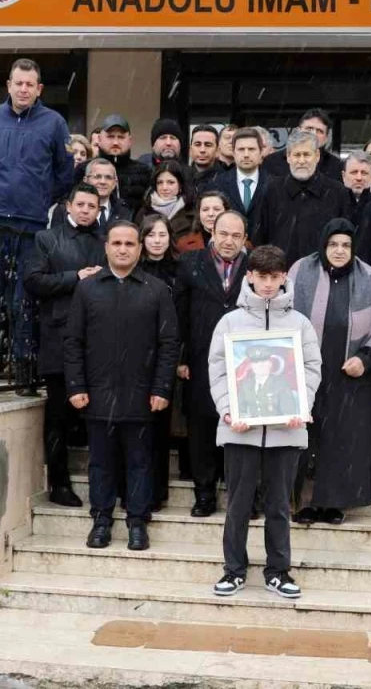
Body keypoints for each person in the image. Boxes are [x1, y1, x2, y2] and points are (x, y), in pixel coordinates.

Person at [209, 245, 320, 600]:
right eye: (262, 277)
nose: (268, 284)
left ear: (284, 276)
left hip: (286, 430)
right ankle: (233, 570)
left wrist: (301, 406)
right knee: (238, 504)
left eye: (274, 277)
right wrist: (229, 410)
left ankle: (278, 571)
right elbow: (218, 370)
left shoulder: (299, 323)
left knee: (279, 505)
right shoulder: (230, 322)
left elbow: (311, 369)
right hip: (240, 430)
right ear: (250, 277)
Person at [64, 220, 178, 551]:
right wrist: (76, 386)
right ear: (106, 247)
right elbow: (73, 341)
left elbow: (169, 344)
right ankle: (101, 520)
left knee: (140, 462)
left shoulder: (157, 290)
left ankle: (137, 522)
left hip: (142, 395)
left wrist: (162, 388)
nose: (123, 249)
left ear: (140, 249)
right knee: (100, 462)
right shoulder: (87, 289)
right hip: (97, 394)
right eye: (117, 243)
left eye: (130, 244)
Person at [289, 219, 371, 525]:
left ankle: (334, 503)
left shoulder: (370, 278)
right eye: (333, 244)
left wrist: (365, 360)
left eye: (345, 245)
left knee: (342, 439)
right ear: (322, 245)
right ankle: (304, 502)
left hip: (350, 375)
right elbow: (282, 314)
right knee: (306, 436)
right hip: (306, 371)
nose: (339, 251)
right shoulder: (300, 271)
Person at [0, 58, 74, 380]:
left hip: (32, 227)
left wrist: (39, 200)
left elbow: (64, 173)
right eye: (18, 83)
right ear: (9, 85)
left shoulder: (54, 123)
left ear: (39, 89)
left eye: (30, 84)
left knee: (24, 299)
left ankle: (23, 367)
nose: (23, 89)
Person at [24, 183, 107, 507]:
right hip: (58, 336)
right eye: (81, 204)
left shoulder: (106, 240)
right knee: (58, 413)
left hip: (97, 337)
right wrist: (76, 277)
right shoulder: (47, 239)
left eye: (92, 206)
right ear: (69, 206)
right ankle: (59, 484)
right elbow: (33, 281)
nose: (86, 210)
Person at [173, 210, 249, 517]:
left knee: (241, 428)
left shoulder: (255, 268)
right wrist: (181, 358)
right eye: (224, 234)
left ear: (245, 239)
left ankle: (242, 495)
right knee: (202, 427)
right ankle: (204, 494)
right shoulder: (190, 263)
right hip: (201, 357)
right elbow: (179, 314)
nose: (229, 241)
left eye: (236, 236)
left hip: (245, 360)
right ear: (212, 234)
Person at [138, 212, 181, 509]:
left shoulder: (180, 270)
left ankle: (156, 492)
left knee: (159, 428)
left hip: (166, 353)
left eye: (162, 235)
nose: (156, 241)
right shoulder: (133, 269)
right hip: (135, 355)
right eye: (151, 235)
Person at [264, 130, 353, 262]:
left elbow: (345, 238)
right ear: (288, 157)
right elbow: (262, 237)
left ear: (317, 156)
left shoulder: (338, 192)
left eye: (306, 154)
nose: (301, 161)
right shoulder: (272, 190)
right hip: (279, 269)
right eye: (297, 155)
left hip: (323, 269)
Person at [210, 128, 271, 244]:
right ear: (233, 152)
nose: (246, 154)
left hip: (265, 250)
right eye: (241, 149)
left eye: (251, 149)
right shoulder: (217, 184)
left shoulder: (274, 184)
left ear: (261, 152)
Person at [50, 157, 130, 232]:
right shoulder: (64, 210)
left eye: (108, 177)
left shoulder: (124, 209)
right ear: (85, 180)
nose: (103, 182)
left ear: (115, 183)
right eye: (97, 177)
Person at [262, 109, 344, 181]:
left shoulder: (336, 166)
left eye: (319, 131)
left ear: (326, 138)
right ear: (298, 131)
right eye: (309, 128)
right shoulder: (272, 162)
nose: (313, 134)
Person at [95, 114, 153, 209]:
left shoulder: (144, 173)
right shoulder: (84, 169)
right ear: (99, 140)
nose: (115, 142)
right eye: (110, 136)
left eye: (121, 137)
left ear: (130, 141)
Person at [133, 161, 195, 242]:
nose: (164, 188)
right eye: (160, 183)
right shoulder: (143, 213)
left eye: (171, 182)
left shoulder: (192, 213)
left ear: (180, 185)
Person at [175, 190, 230, 255]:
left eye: (217, 209)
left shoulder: (239, 241)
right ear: (199, 213)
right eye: (205, 210)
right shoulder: (183, 244)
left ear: (226, 212)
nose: (210, 214)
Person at [342, 150, 371, 226]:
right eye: (354, 172)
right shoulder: (332, 203)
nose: (359, 178)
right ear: (343, 176)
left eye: (364, 173)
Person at [187, 125, 223, 194]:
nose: (202, 150)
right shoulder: (181, 179)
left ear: (217, 151)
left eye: (208, 145)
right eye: (197, 144)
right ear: (190, 150)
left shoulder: (228, 180)